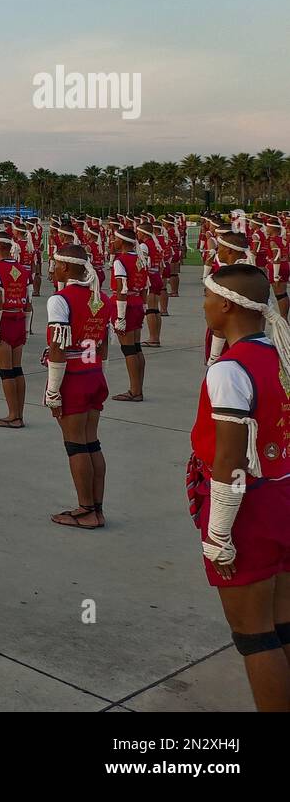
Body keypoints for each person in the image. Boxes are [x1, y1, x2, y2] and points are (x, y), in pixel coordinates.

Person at [188, 264, 290, 711]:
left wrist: (219, 534)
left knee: (255, 638)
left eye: (208, 297)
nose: (204, 306)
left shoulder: (230, 369)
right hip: (284, 492)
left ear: (226, 305)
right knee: (284, 625)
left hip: (249, 507)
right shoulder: (281, 354)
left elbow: (229, 461)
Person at [43, 245, 112, 529]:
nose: (53, 268)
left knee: (75, 446)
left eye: (57, 264)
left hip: (72, 377)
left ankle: (85, 510)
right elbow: (104, 346)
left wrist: (53, 390)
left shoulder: (60, 300)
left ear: (67, 269)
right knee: (91, 442)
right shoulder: (102, 299)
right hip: (94, 372)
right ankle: (96, 507)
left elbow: (58, 348)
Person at [0, 231, 32, 429]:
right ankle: (19, 413)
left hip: (4, 321)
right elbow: (29, 303)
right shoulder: (23, 269)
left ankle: (13, 415)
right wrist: (27, 330)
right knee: (17, 369)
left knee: (6, 372)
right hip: (19, 320)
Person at [109, 225, 148, 401]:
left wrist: (120, 317)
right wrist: (144, 305)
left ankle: (134, 390)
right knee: (136, 347)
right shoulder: (141, 259)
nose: (113, 241)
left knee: (128, 349)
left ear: (123, 242)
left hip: (125, 306)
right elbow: (145, 286)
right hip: (138, 303)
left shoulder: (120, 261)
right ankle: (138, 387)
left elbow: (121, 289)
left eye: (115, 239)